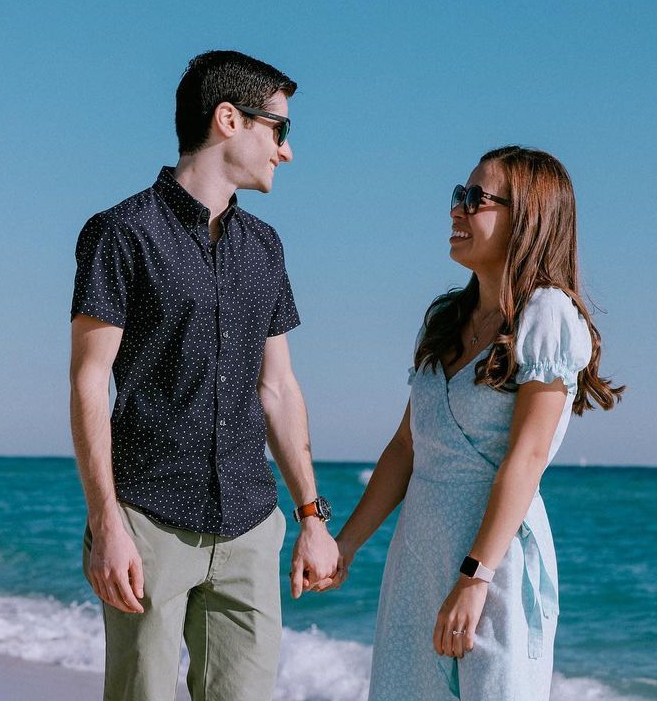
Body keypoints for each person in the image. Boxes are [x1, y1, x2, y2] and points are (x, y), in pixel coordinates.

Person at [68, 50, 339, 701]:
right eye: (280, 130)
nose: (286, 152)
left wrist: (312, 517)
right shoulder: (120, 233)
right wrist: (107, 524)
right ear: (229, 119)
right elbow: (87, 381)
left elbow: (278, 388)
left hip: (249, 524)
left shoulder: (266, 248)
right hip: (148, 526)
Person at [327, 146, 624, 700]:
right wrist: (346, 546)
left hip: (494, 567)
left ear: (528, 218)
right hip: (418, 557)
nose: (456, 210)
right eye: (457, 196)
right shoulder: (445, 318)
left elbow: (526, 460)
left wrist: (475, 577)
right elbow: (405, 448)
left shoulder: (548, 317)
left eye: (475, 198)